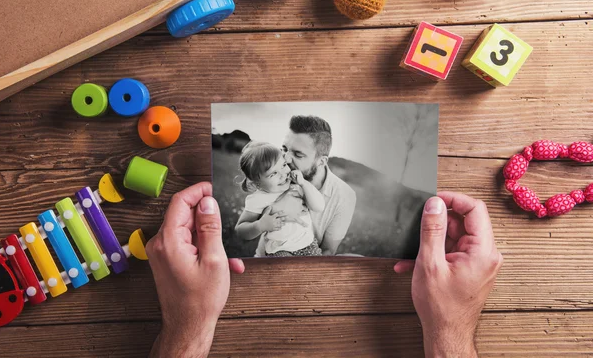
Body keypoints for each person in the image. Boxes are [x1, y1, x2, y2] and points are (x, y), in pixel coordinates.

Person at [147, 182, 503, 357]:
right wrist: (262, 225)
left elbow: (318, 211)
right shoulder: (262, 199)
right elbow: (244, 229)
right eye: (275, 166)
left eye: (290, 160)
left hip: (305, 250)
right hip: (272, 254)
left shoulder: (310, 193)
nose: (284, 168)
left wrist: (184, 328)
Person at [255, 115, 357, 256]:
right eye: (284, 149)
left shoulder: (344, 195)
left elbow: (328, 250)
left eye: (298, 154)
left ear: (321, 161)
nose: (286, 158)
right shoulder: (278, 179)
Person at [235, 141, 325, 257]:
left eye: (283, 165)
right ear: (257, 184)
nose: (283, 174)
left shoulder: (296, 185)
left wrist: (304, 184)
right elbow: (240, 230)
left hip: (308, 246)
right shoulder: (258, 199)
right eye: (273, 174)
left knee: (316, 272)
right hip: (280, 250)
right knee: (286, 271)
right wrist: (259, 225)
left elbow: (319, 206)